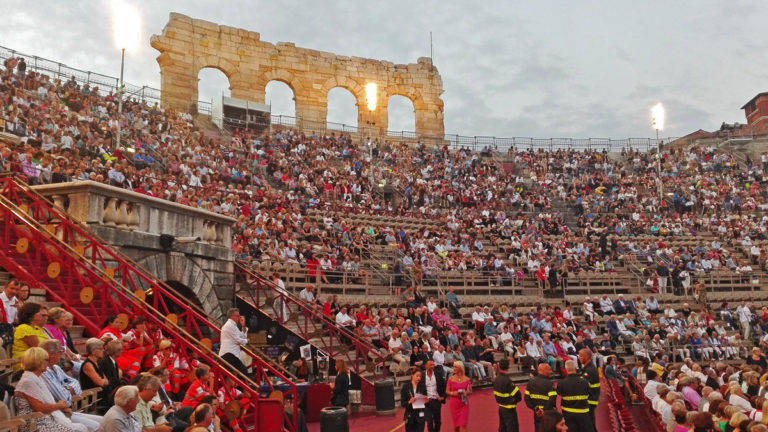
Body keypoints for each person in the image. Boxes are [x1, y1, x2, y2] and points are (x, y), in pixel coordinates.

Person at [40, 340, 102, 432]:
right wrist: (69, 390)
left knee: (104, 421)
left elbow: (75, 382)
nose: (63, 353)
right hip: (57, 413)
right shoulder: (44, 372)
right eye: (60, 351)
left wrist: (67, 388)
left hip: (66, 410)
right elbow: (63, 397)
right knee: (98, 427)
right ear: (51, 354)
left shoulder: (56, 368)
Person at [14, 347, 80, 432]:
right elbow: (39, 408)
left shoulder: (36, 378)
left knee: (81, 428)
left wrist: (60, 407)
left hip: (43, 419)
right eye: (47, 360)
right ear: (38, 361)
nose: (48, 363)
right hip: (34, 424)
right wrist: (59, 406)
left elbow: (45, 403)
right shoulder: (28, 381)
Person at [557, 360, 594, 432]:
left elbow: (559, 393)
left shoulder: (561, 383)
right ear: (575, 368)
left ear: (565, 369)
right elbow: (589, 392)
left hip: (568, 413)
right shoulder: (584, 381)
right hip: (583, 412)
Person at [525, 364, 557, 432]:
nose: (551, 372)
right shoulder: (549, 383)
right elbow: (552, 399)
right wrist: (544, 410)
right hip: (548, 413)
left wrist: (535, 408)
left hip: (536, 412)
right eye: (549, 370)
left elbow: (527, 398)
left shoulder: (531, 382)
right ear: (543, 371)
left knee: (538, 428)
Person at [493, 358, 521, 432]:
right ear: (508, 367)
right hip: (510, 409)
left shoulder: (496, 379)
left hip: (501, 407)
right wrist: (513, 400)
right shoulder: (507, 380)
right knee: (512, 428)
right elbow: (518, 396)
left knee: (503, 427)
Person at [218, 308, 249, 375]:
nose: (239, 318)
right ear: (232, 316)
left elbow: (242, 336)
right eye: (238, 316)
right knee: (243, 372)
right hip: (228, 354)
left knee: (239, 373)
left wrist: (243, 325)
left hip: (231, 354)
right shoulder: (229, 325)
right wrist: (247, 341)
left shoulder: (233, 326)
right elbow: (237, 340)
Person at [446, 361, 471, 432]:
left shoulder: (467, 379)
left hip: (464, 404)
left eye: (455, 367)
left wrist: (466, 392)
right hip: (454, 404)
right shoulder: (450, 379)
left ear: (460, 368)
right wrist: (453, 393)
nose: (454, 368)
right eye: (453, 367)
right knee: (456, 426)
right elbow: (447, 391)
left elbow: (470, 391)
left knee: (463, 424)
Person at [578, 348, 600, 429]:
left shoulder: (589, 370)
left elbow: (583, 386)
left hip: (589, 400)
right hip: (590, 399)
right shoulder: (588, 368)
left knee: (589, 424)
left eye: (580, 356)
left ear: (586, 357)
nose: (578, 358)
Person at [401, 366, 427, 432]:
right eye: (417, 376)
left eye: (420, 376)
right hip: (410, 416)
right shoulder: (405, 387)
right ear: (412, 375)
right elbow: (403, 403)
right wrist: (409, 402)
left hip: (420, 416)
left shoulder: (423, 387)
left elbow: (427, 403)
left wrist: (427, 401)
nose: (419, 378)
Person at [423, 360, 446, 432]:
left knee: (437, 421)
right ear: (426, 366)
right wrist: (422, 398)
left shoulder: (438, 374)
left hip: (436, 401)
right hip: (427, 402)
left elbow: (444, 386)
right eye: (430, 365)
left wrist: (443, 397)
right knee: (429, 421)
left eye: (433, 365)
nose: (432, 366)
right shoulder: (421, 376)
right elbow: (418, 388)